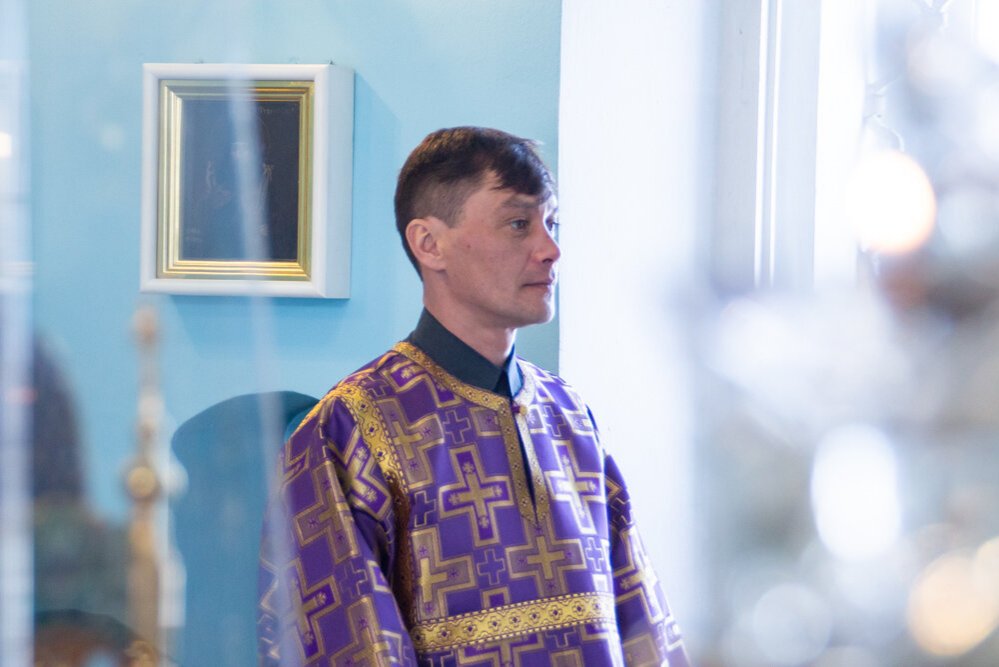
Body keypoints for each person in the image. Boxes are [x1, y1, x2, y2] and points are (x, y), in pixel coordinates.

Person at [258, 127, 689, 666]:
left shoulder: (569, 414)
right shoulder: (350, 427)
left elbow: (642, 626)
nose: (550, 250)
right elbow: (343, 643)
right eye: (518, 224)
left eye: (551, 223)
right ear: (429, 244)